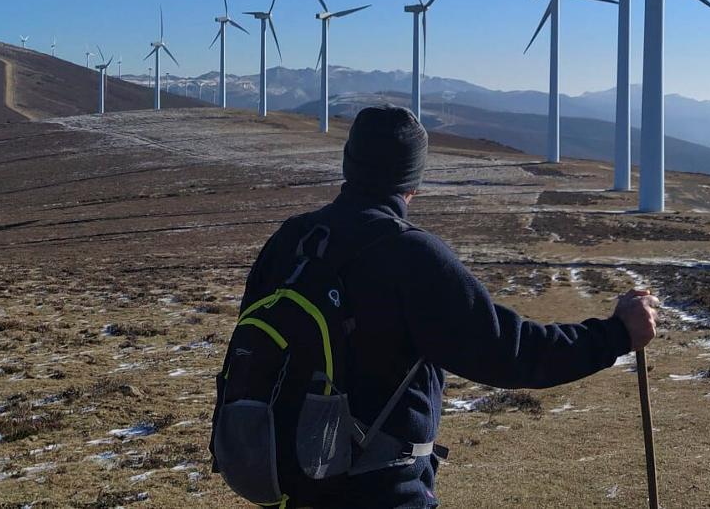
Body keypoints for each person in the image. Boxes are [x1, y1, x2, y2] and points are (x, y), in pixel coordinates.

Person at [222, 105, 659, 508]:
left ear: (348, 163)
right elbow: (511, 353)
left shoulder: (290, 240)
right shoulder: (410, 255)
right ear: (413, 179)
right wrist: (616, 334)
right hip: (381, 490)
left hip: (291, 481)